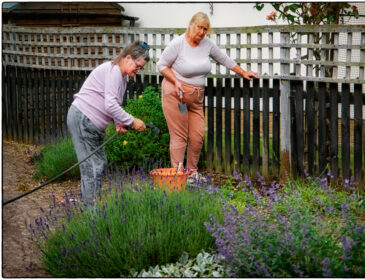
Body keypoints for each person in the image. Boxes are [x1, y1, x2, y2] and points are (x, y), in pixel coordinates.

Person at [157, 12, 259, 183]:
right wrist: (175, 81)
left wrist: (243, 72)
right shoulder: (178, 43)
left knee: (197, 136)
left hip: (196, 98)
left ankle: (192, 173)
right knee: (180, 136)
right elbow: (161, 65)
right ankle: (178, 175)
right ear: (191, 25)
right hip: (176, 95)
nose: (202, 32)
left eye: (205, 29)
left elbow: (224, 59)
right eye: (200, 27)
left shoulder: (207, 44)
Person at [67, 41, 150, 206]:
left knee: (99, 164)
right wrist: (132, 121)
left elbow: (112, 103)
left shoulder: (121, 76)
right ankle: (91, 215)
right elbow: (110, 104)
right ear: (127, 57)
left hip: (91, 125)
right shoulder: (113, 71)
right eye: (138, 66)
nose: (138, 71)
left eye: (141, 68)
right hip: (83, 119)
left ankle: (93, 206)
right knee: (91, 168)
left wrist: (118, 122)